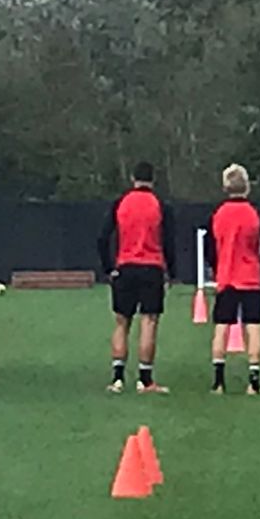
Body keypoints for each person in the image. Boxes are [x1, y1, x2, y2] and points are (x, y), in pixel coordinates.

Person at [97, 161, 177, 394]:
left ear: (133, 178)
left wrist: (108, 268)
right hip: (151, 268)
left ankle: (118, 378)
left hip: (125, 267)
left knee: (122, 322)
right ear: (154, 179)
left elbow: (103, 238)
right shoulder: (161, 206)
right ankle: (145, 380)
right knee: (148, 322)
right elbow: (169, 242)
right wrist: (172, 272)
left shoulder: (120, 203)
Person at [205, 163, 260, 395]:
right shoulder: (256, 213)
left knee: (221, 327)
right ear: (247, 186)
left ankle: (218, 382)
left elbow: (209, 249)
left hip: (226, 278)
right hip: (250, 279)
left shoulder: (217, 214)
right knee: (254, 328)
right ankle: (253, 383)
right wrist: (259, 266)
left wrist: (219, 268)